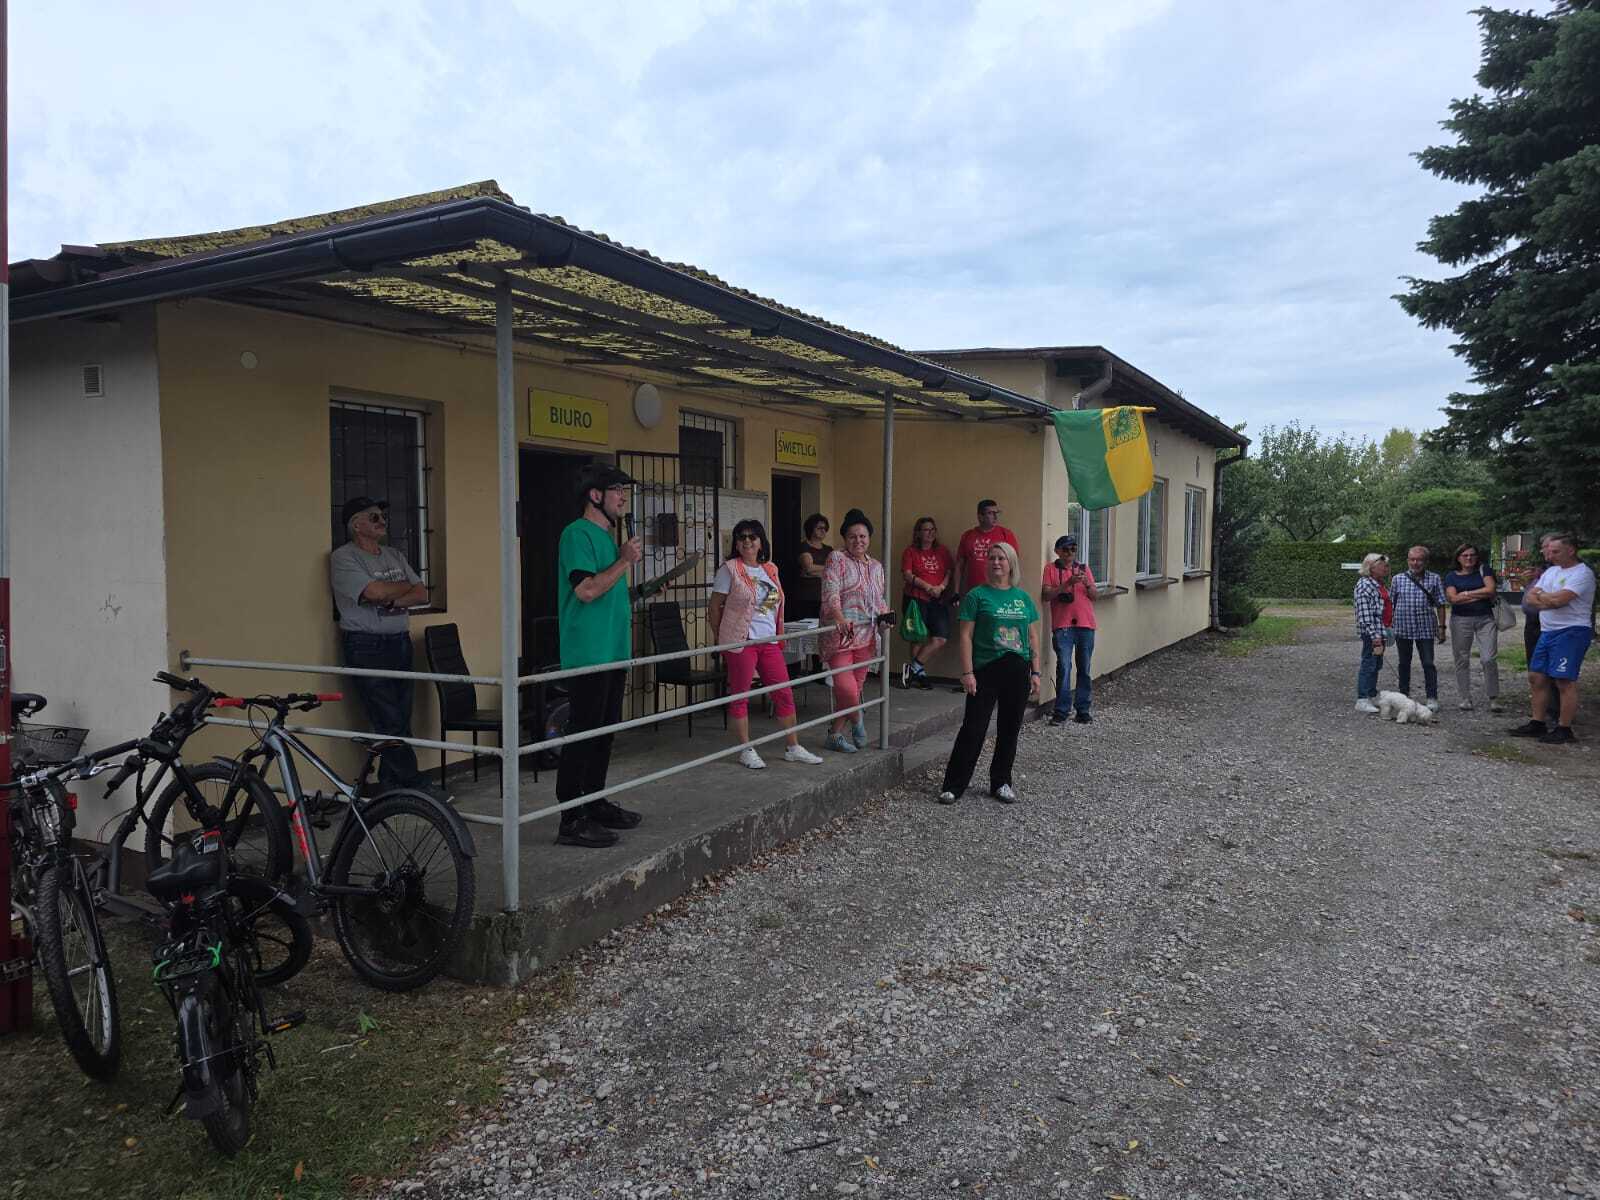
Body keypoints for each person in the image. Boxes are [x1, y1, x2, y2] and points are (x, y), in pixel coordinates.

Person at [554, 464, 646, 848]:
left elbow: (607, 591)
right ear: (595, 495)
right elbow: (586, 590)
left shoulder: (608, 538)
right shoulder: (576, 534)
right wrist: (624, 561)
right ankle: (571, 817)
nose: (623, 497)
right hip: (589, 651)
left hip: (612, 649)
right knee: (584, 731)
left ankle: (594, 801)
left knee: (604, 731)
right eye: (616, 490)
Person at [330, 496, 445, 800]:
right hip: (366, 645)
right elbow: (373, 592)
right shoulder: (344, 558)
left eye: (382, 516)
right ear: (356, 525)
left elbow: (421, 593)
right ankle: (415, 786)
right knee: (389, 718)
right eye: (374, 517)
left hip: (399, 642)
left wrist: (391, 600)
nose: (382, 521)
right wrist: (398, 590)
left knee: (400, 717)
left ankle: (391, 788)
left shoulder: (394, 554)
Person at [708, 519, 825, 770]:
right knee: (741, 695)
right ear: (736, 543)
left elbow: (769, 606)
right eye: (741, 537)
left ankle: (793, 747)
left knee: (783, 692)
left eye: (752, 537)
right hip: (741, 641)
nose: (747, 541)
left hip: (769, 640)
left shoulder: (770, 569)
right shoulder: (729, 569)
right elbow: (714, 607)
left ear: (761, 542)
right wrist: (720, 638)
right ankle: (745, 749)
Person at [938, 542, 1041, 805]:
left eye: (1001, 558)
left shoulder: (1022, 598)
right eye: (992, 558)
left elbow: (1031, 636)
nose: (996, 562)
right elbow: (965, 636)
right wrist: (967, 672)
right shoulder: (976, 596)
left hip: (1018, 670)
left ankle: (1001, 782)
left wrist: (1036, 672)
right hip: (985, 670)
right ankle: (954, 786)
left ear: (1011, 564)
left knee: (1010, 729)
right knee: (973, 729)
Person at [1509, 532, 1595, 745]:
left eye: (1555, 551)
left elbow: (1561, 600)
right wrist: (1548, 599)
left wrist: (1544, 598)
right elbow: (1530, 597)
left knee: (1564, 680)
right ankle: (1537, 722)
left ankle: (1564, 728)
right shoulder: (1551, 571)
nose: (1550, 554)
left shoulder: (1582, 573)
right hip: (1548, 631)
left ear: (1570, 550)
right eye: (1549, 550)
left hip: (1571, 631)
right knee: (1537, 676)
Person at [820, 508, 888, 754]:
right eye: (852, 536)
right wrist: (839, 619)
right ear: (844, 538)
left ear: (869, 538)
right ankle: (858, 721)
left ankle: (834, 735)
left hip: (867, 635)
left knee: (854, 688)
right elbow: (831, 593)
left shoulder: (876, 566)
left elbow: (879, 599)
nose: (858, 541)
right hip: (841, 634)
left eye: (862, 536)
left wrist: (886, 617)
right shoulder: (836, 558)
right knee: (846, 687)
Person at [1041, 534, 1097, 726]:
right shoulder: (1050, 569)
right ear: (1057, 551)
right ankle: (1061, 711)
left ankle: (1083, 711)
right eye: (1066, 549)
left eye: (1073, 548)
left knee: (1084, 668)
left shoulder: (1083, 568)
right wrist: (1067, 584)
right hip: (1062, 625)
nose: (1070, 552)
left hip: (1086, 624)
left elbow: (1094, 595)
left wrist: (1086, 583)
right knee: (1064, 668)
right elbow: (1046, 595)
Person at [1444, 543, 1502, 713]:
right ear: (1458, 558)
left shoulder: (1484, 570)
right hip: (1460, 620)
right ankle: (1465, 698)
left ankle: (1493, 697)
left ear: (1477, 557)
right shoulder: (1451, 576)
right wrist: (1480, 594)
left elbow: (1491, 590)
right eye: (1465, 555)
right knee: (1461, 659)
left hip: (1486, 619)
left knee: (1488, 658)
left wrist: (1466, 594)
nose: (1469, 558)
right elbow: (1453, 599)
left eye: (1472, 555)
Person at [1389, 544, 1448, 712]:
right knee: (1403, 663)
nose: (1415, 563)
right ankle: (1403, 696)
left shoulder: (1434, 579)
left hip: (1426, 627)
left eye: (1419, 560)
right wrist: (1388, 626)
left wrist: (1442, 627)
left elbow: (1441, 604)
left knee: (1428, 663)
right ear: (1408, 560)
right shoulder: (1397, 579)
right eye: (1412, 559)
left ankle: (1432, 697)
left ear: (1426, 561)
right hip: (1402, 627)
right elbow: (1391, 604)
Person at [899, 517, 954, 690]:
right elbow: (907, 574)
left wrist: (941, 587)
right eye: (926, 530)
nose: (930, 533)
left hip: (938, 599)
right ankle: (920, 675)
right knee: (918, 637)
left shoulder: (942, 551)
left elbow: (949, 571)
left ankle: (913, 668)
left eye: (933, 529)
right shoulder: (910, 551)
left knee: (941, 637)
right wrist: (928, 587)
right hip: (916, 599)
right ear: (918, 533)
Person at [1353, 552, 1393, 713]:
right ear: (1371, 567)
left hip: (1380, 631)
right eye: (1383, 565)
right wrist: (1375, 636)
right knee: (1369, 664)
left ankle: (1371, 694)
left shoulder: (1379, 584)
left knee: (1376, 665)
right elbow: (1364, 615)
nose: (1386, 568)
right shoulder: (1365, 585)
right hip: (1372, 633)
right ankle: (1362, 699)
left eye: (1387, 565)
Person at [955, 499, 1021, 598]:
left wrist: (1013, 590)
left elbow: (1014, 564)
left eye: (996, 513)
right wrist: (956, 592)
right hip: (974, 592)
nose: (995, 516)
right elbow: (959, 566)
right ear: (980, 517)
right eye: (990, 513)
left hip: (999, 591)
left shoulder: (1006, 534)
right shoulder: (968, 536)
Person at [791, 514, 832, 622]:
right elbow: (809, 568)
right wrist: (826, 570)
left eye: (825, 528)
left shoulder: (829, 549)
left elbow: (834, 570)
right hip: (805, 597)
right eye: (819, 528)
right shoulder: (804, 546)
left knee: (822, 627)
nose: (823, 531)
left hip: (824, 597)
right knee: (806, 628)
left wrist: (817, 571)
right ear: (811, 528)